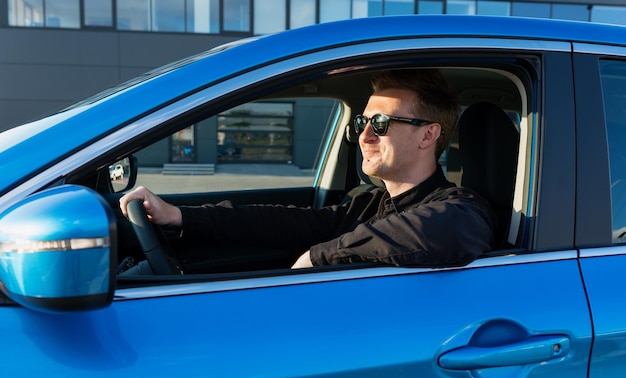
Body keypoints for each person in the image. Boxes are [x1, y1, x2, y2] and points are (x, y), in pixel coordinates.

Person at [120, 69, 496, 270]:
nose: (364, 135)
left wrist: (321, 256)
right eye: (361, 122)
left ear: (428, 135)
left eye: (380, 123)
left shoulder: (460, 207)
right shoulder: (368, 205)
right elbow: (287, 223)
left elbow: (450, 230)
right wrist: (181, 215)